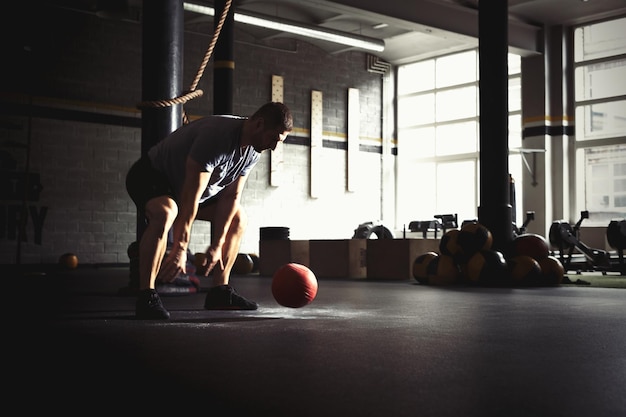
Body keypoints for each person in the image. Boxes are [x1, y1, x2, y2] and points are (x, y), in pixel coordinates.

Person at [126, 102, 293, 319]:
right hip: (151, 175)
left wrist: (216, 246)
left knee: (239, 219)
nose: (274, 147)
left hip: (185, 189)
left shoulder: (252, 152)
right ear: (259, 124)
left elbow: (231, 197)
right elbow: (190, 197)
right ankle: (146, 295)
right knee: (166, 212)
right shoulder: (217, 136)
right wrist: (180, 249)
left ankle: (219, 291)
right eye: (274, 139)